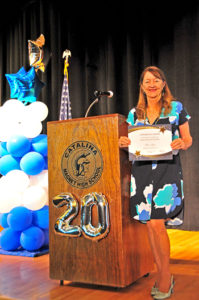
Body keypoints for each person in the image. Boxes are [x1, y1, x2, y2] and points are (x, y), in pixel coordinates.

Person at [119, 66, 192, 299]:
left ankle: (164, 277)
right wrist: (124, 142)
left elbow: (188, 138)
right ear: (141, 86)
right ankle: (163, 272)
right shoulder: (134, 113)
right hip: (141, 173)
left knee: (157, 225)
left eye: (156, 80)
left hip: (167, 171)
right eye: (147, 81)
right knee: (151, 225)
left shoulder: (176, 108)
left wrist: (182, 143)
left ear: (163, 84)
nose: (152, 84)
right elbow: (133, 143)